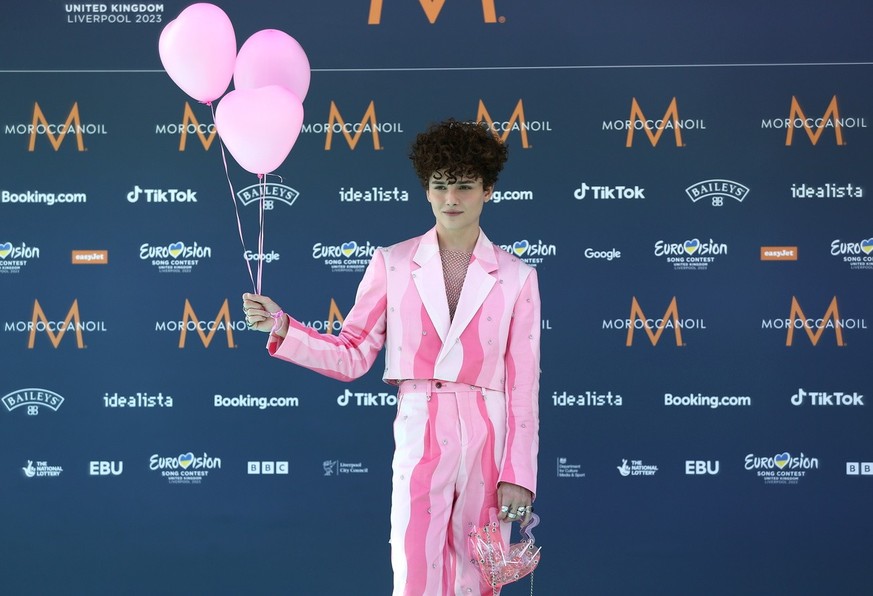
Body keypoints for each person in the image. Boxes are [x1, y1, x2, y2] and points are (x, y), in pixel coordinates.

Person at [242, 119, 541, 596]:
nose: (451, 199)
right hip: (421, 426)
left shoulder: (518, 276)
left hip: (489, 438)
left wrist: (518, 475)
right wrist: (283, 327)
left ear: (488, 190)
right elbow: (354, 353)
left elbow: (523, 387)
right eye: (440, 186)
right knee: (415, 573)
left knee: (481, 579)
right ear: (426, 190)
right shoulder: (393, 262)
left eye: (464, 186)